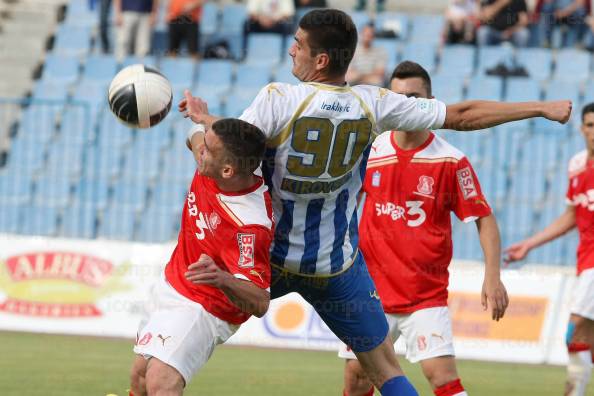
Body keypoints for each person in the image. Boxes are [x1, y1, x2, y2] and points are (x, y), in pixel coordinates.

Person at [179, 8, 571, 396]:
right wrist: (539, 108)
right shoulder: (374, 104)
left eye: (297, 44)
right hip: (335, 267)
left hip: (272, 262)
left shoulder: (277, 99)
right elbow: (463, 114)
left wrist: (202, 127)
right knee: (383, 369)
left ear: (321, 59)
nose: (290, 51)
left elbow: (234, 156)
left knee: (179, 336)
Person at [338, 61, 508, 396]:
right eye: (399, 97)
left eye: (415, 97)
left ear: (432, 102)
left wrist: (492, 276)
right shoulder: (370, 149)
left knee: (442, 378)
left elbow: (484, 218)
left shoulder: (450, 160)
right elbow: (341, 203)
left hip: (424, 295)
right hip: (369, 293)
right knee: (357, 379)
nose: (406, 105)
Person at [129, 118, 274, 395]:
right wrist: (201, 119)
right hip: (173, 282)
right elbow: (194, 135)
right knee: (140, 378)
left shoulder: (249, 225)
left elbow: (259, 301)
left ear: (228, 170)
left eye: (207, 149)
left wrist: (221, 279)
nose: (200, 151)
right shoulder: (212, 162)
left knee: (161, 380)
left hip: (206, 305)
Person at [505, 103, 594, 396]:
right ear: (582, 129)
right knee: (585, 340)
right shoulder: (577, 165)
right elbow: (570, 216)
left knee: (575, 331)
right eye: (590, 125)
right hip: (584, 263)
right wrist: (530, 243)